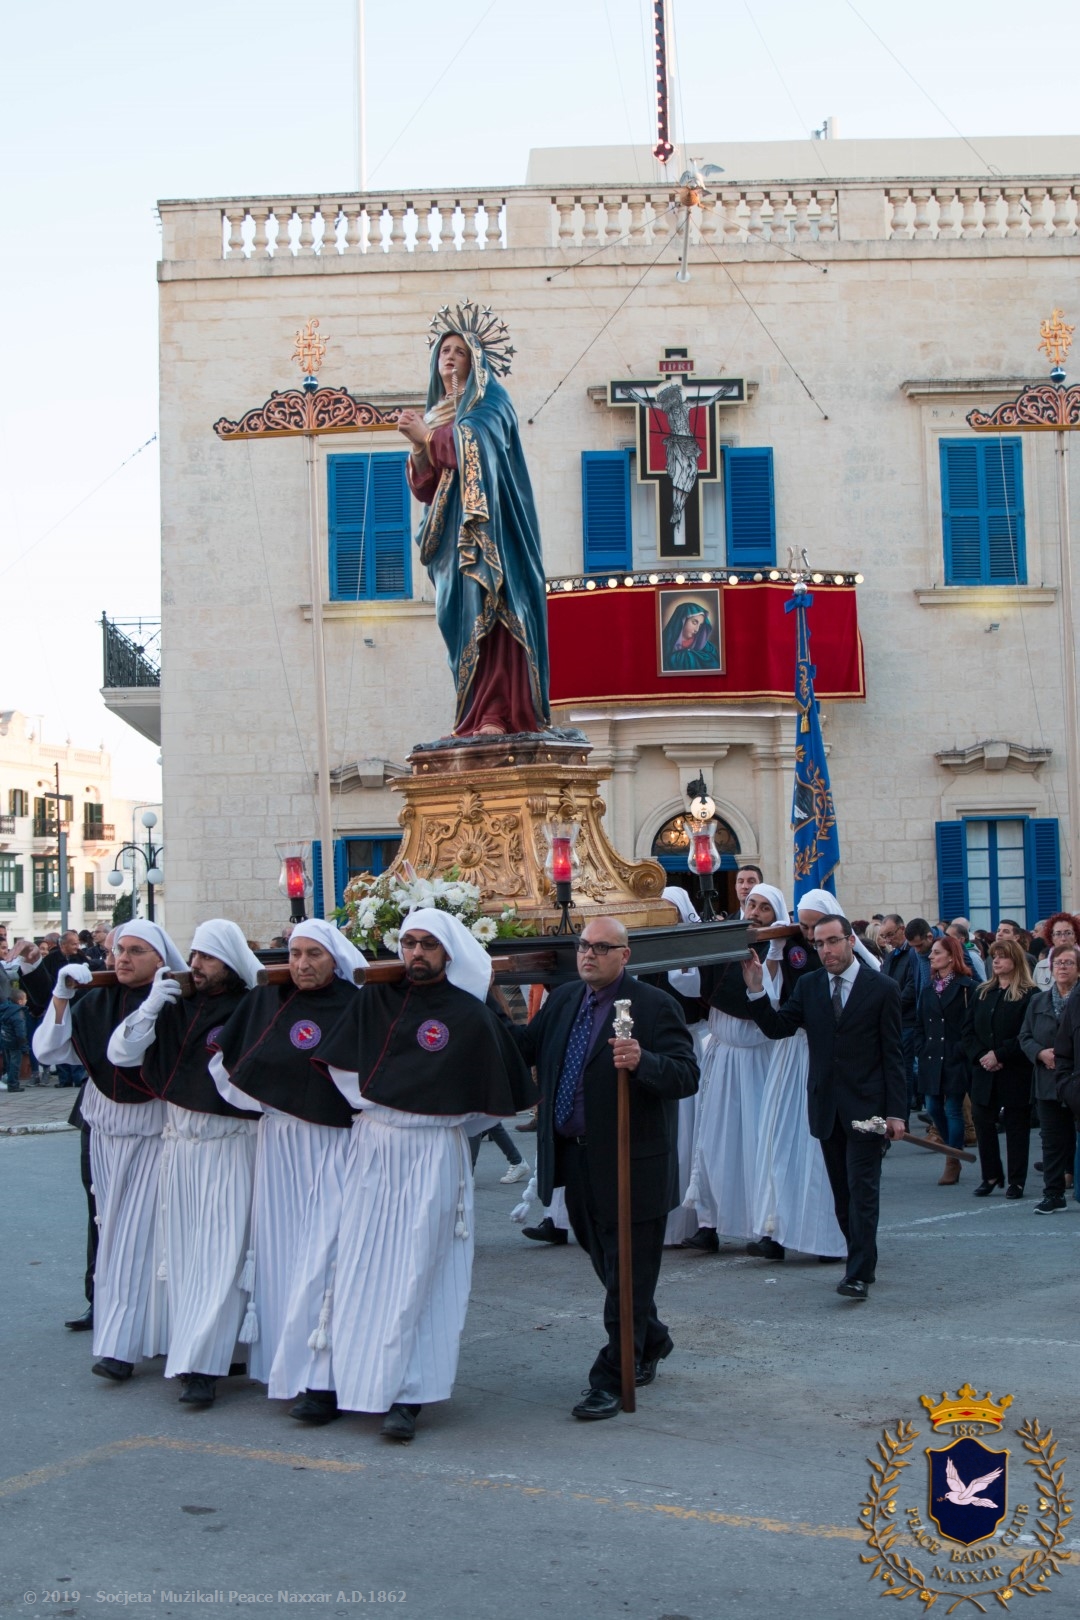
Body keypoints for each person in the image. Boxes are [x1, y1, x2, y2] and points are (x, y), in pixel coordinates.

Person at [319, 908, 534, 1441]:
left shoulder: (470, 1015)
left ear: (447, 953)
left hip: (433, 1152)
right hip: (374, 1143)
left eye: (427, 945)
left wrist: (434, 1119)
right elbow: (343, 1067)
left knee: (422, 1270)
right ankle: (349, 1381)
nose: (415, 953)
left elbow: (489, 1107)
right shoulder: (373, 999)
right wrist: (386, 1106)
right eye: (408, 942)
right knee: (359, 1263)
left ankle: (408, 1394)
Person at [506, 916, 698, 1420]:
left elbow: (686, 1075)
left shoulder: (655, 1006)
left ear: (625, 955)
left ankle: (611, 1378)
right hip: (578, 1160)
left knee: (627, 1275)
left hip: (634, 1165)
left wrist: (643, 1060)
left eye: (600, 947)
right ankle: (649, 1339)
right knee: (610, 1268)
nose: (587, 955)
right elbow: (525, 1046)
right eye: (583, 946)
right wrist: (477, 1004)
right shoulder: (565, 1000)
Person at [209, 919, 366, 1425]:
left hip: (334, 1144)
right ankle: (285, 1366)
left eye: (313, 954)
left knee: (327, 1260)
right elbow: (229, 1069)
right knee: (280, 1258)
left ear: (335, 958)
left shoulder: (356, 1006)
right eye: (294, 954)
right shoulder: (267, 1002)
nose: (301, 964)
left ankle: (326, 1378)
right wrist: (265, 1103)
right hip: (278, 1143)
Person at [105, 919, 262, 1407]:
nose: (195, 965)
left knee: (220, 1256)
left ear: (231, 963)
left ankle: (202, 1368)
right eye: (193, 955)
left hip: (228, 1145)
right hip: (179, 1145)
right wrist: (153, 1004)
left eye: (208, 957)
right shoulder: (177, 1006)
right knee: (183, 1256)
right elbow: (122, 1054)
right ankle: (198, 1349)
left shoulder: (251, 1008)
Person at [33, 920, 186, 1380]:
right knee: (112, 1230)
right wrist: (60, 998)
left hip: (154, 1127)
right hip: (104, 1126)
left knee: (147, 1237)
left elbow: (133, 1054)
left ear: (160, 960)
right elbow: (47, 1052)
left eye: (136, 951)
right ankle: (125, 1334)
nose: (122, 958)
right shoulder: (94, 1001)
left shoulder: (175, 1005)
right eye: (119, 949)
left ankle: (140, 1340)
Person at [397, 305, 550, 737]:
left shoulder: (492, 402)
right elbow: (429, 489)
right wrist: (419, 448)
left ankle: (498, 713)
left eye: (459, 351)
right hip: (451, 540)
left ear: (475, 360)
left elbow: (482, 446)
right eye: (444, 350)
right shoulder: (438, 413)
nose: (449, 357)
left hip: (494, 534)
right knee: (460, 621)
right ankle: (470, 714)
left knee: (494, 613)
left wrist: (428, 437)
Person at [742, 914, 905, 1303]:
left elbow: (893, 1055)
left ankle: (858, 1273)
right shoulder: (811, 985)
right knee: (842, 1195)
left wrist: (897, 1113)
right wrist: (756, 991)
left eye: (833, 941)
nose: (827, 950)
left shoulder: (881, 988)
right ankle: (861, 1259)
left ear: (850, 940)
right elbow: (779, 1027)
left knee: (862, 1191)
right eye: (819, 944)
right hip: (826, 1107)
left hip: (868, 1109)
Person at [745, 886, 848, 1264]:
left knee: (821, 1153)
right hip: (791, 1058)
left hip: (826, 1059)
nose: (808, 936)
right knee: (779, 1143)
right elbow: (779, 1009)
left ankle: (828, 1238)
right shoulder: (789, 949)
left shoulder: (852, 967)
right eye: (803, 927)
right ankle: (775, 1229)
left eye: (815, 927)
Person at [683, 886, 783, 1253]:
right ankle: (709, 1224)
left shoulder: (778, 953)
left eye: (765, 908)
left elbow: (772, 1002)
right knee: (712, 1143)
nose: (755, 912)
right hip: (722, 1057)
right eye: (751, 904)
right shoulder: (726, 945)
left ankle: (767, 1229)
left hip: (757, 1061)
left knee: (758, 1145)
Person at [653, 886, 709, 1247]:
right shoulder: (648, 946)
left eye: (672, 909)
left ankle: (695, 1221)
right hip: (656, 1053)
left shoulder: (697, 948)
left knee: (692, 1138)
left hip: (690, 1047)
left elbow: (696, 994)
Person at [962, 938, 1036, 1198]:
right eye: (994, 956)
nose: (997, 961)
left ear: (1015, 960)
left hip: (1014, 1070)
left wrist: (1000, 1054)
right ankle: (991, 1175)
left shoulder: (1030, 994)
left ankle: (1017, 1181)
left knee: (1016, 1127)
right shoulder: (983, 992)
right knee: (982, 1121)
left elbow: (1027, 1034)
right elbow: (968, 1031)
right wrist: (983, 1055)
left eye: (1002, 957)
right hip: (985, 1070)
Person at [1020, 942, 1079, 1214]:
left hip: (1076, 1081)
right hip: (1047, 1081)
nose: (1062, 967)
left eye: (1068, 962)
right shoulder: (1038, 1001)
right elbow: (1025, 1037)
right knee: (1052, 1141)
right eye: (1058, 963)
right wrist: (1040, 1053)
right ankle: (1053, 1193)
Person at [915, 934, 975, 1186]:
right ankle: (953, 1149)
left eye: (937, 953)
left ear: (951, 956)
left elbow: (973, 1025)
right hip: (931, 1057)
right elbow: (919, 1024)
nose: (931, 957)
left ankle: (952, 1159)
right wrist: (921, 1047)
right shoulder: (928, 989)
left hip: (954, 1056)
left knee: (952, 1109)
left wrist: (961, 1050)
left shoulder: (966, 988)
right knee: (932, 1106)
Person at [661, 601, 720, 670]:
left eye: (700, 625)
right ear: (682, 620)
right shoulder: (664, 644)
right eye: (694, 622)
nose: (697, 629)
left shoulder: (708, 647)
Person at [1032, 913, 1079, 990]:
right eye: (1058, 934)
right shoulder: (1041, 967)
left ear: (1076, 937)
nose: (1063, 938)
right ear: (1051, 938)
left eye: (1068, 933)